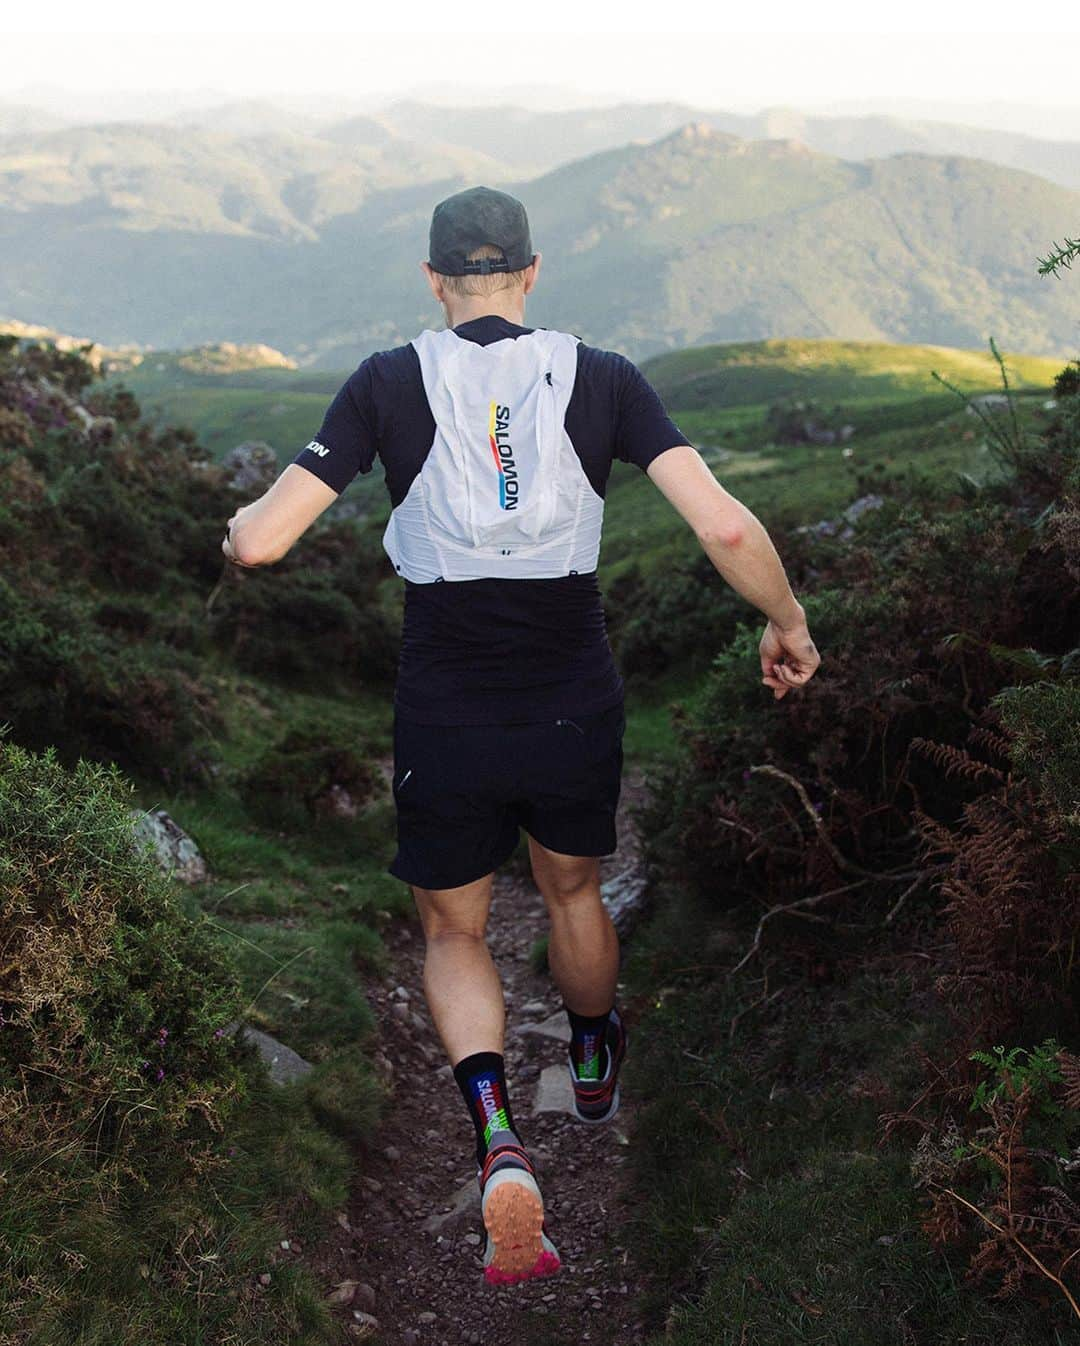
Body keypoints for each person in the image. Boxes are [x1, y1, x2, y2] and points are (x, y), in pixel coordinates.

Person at [221, 185, 821, 1286]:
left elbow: (263, 541)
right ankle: (593, 1061)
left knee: (454, 932)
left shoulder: (388, 380)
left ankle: (498, 1129)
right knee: (572, 892)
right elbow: (725, 522)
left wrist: (234, 529)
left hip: (445, 706)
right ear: (533, 274)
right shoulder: (605, 376)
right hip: (570, 697)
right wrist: (785, 621)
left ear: (435, 279)